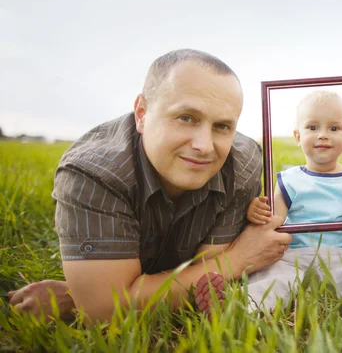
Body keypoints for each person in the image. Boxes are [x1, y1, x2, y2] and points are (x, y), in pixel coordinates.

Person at [8, 49, 292, 322]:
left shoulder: (241, 161)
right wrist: (240, 258)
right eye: (186, 118)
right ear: (142, 113)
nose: (205, 146)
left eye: (222, 126)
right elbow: (107, 312)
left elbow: (208, 279)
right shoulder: (92, 173)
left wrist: (96, 293)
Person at [197, 91, 342, 316]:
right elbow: (274, 218)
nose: (323, 135)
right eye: (312, 127)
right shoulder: (290, 179)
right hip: (295, 253)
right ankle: (239, 307)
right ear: (298, 136)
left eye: (334, 128)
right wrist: (256, 211)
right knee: (278, 277)